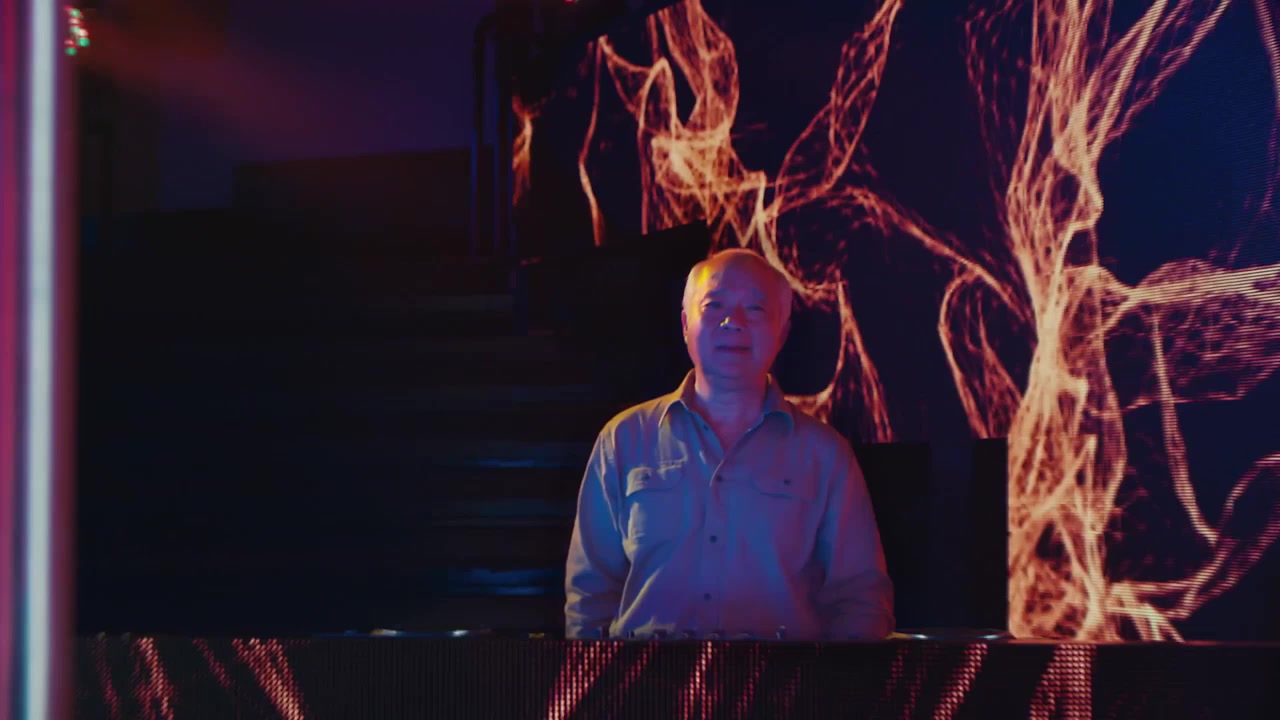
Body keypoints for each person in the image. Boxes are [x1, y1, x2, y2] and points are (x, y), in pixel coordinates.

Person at [564, 247, 895, 640]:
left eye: (755, 309)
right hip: (647, 679)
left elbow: (860, 599)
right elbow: (589, 593)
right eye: (714, 306)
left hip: (780, 680)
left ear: (782, 331)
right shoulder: (623, 439)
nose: (732, 322)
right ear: (685, 324)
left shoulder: (825, 456)